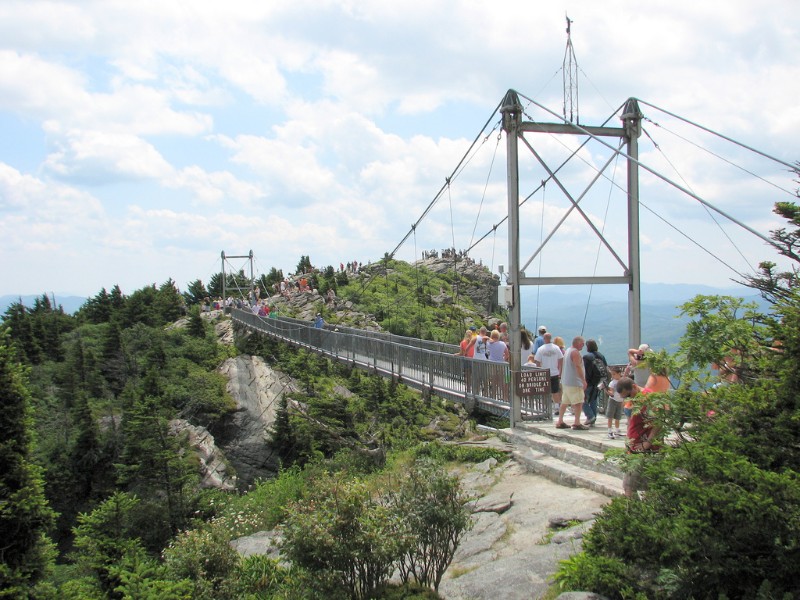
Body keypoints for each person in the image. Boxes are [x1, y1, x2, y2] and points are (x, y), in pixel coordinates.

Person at [616, 377, 659, 498]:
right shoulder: (632, 401)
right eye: (625, 397)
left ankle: (638, 513)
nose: (628, 398)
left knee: (631, 485)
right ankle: (638, 512)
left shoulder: (648, 398)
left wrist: (648, 443)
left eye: (629, 395)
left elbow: (658, 422)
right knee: (631, 485)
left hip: (646, 447)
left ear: (634, 386)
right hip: (633, 446)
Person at [555, 336, 589, 430]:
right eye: (582, 343)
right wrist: (583, 380)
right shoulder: (575, 352)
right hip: (574, 382)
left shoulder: (568, 351)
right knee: (578, 402)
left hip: (565, 381)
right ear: (578, 343)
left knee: (565, 402)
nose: (583, 345)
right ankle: (577, 423)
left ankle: (560, 421)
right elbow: (577, 366)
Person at [582, 339, 608, 426]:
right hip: (600, 382)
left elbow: (585, 370)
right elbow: (606, 367)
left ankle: (590, 416)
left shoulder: (586, 357)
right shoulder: (601, 355)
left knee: (582, 399)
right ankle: (593, 418)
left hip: (589, 382)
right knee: (593, 399)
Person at [532, 332, 563, 407]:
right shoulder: (556, 348)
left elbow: (537, 361)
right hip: (555, 372)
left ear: (544, 339)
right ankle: (556, 407)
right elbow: (561, 359)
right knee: (555, 391)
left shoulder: (540, 349)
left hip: (544, 372)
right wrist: (560, 370)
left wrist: (539, 371)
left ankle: (545, 407)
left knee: (545, 390)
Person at [606, 366, 625, 439]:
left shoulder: (622, 381)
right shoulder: (612, 383)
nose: (613, 376)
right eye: (612, 374)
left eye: (614, 374)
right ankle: (609, 430)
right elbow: (611, 390)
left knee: (618, 416)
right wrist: (609, 392)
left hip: (620, 401)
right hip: (613, 400)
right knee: (610, 416)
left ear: (619, 373)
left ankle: (617, 430)